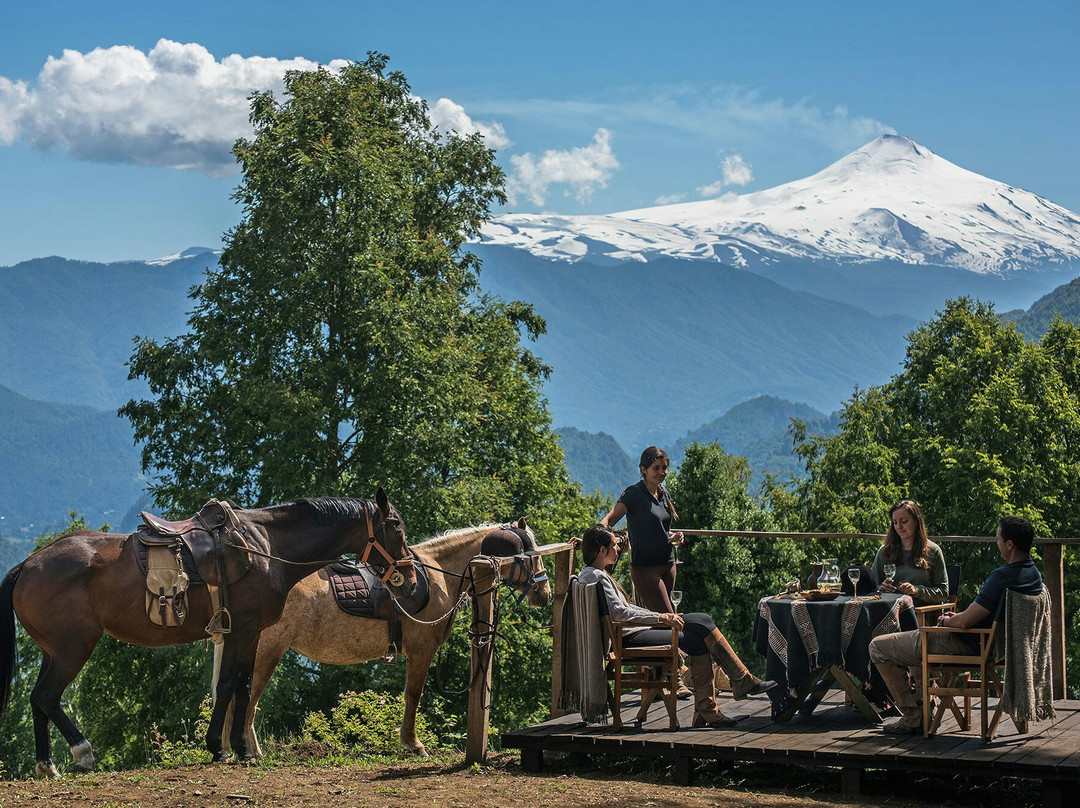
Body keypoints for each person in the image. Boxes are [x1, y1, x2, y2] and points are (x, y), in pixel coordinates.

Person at [578, 524, 777, 727]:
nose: (618, 549)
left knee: (702, 622)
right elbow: (621, 613)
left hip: (630, 631)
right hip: (629, 637)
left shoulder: (591, 574)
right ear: (602, 550)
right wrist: (661, 618)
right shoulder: (597, 577)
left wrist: (661, 615)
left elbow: (623, 609)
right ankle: (721, 698)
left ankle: (722, 697)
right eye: (614, 545)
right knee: (699, 632)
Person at [869, 515, 1043, 735]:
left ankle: (913, 716)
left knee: (878, 647)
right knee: (909, 644)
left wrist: (947, 620)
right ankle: (924, 706)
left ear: (1009, 544)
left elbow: (964, 622)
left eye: (998, 539)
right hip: (1002, 647)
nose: (997, 543)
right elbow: (979, 614)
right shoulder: (1033, 575)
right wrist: (958, 617)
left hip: (969, 644)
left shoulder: (1001, 577)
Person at [600, 446, 682, 613]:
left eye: (664, 468)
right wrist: (592, 540)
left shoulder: (663, 494)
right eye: (656, 468)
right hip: (646, 568)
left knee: (666, 620)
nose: (662, 472)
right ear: (643, 469)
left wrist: (673, 535)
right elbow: (608, 520)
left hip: (668, 565)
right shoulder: (633, 494)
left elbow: (659, 528)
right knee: (668, 620)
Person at [873, 500, 949, 605]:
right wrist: (881, 588)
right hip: (889, 614)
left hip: (921, 615)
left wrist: (917, 590)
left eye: (904, 521)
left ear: (916, 521)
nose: (899, 527)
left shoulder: (933, 551)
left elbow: (943, 593)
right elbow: (870, 587)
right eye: (895, 522)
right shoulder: (885, 551)